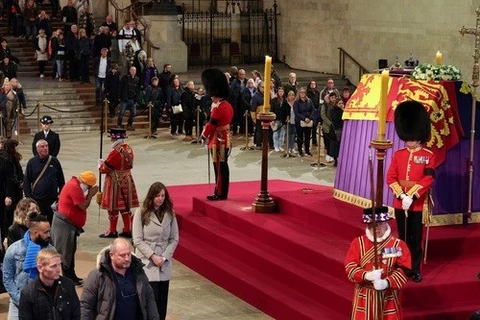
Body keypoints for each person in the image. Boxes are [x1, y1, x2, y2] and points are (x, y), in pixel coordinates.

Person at [386, 100, 435, 283]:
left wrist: (413, 195)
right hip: (400, 202)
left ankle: (414, 268)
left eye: (412, 138)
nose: (410, 142)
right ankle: (402, 265)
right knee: (403, 236)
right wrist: (401, 195)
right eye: (407, 138)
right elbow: (390, 178)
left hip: (418, 204)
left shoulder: (428, 156)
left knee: (415, 239)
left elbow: (428, 178)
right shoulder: (398, 154)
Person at [345, 206, 411, 319]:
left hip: (388, 297)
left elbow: (405, 269)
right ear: (367, 225)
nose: (377, 228)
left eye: (380, 224)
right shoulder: (358, 243)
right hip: (364, 297)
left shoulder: (397, 245)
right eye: (373, 225)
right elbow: (350, 267)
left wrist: (387, 283)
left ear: (386, 223)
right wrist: (366, 275)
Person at [80, 237, 160, 320]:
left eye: (128, 254)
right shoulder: (97, 276)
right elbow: (86, 306)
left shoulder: (138, 273)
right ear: (111, 255)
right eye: (122, 255)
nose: (127, 259)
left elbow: (149, 300)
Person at [132, 182, 179, 320]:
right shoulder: (141, 212)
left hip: (164, 264)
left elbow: (174, 238)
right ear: (151, 196)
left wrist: (164, 257)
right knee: (148, 303)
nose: (160, 198)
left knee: (162, 304)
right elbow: (137, 240)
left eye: (163, 195)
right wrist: (153, 256)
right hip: (147, 263)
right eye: (157, 195)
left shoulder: (170, 213)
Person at [3, 214, 55, 319]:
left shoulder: (51, 251)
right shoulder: (14, 250)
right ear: (35, 233)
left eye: (49, 231)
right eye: (46, 232)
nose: (49, 235)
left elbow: (55, 278)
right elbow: (7, 278)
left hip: (43, 304)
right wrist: (20, 299)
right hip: (17, 303)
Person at [51, 171, 98, 285]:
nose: (88, 189)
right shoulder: (75, 188)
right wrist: (90, 195)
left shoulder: (75, 184)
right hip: (65, 225)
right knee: (66, 252)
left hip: (70, 225)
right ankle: (68, 278)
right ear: (84, 183)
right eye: (88, 187)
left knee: (70, 251)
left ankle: (71, 275)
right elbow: (83, 206)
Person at [99, 128, 139, 238]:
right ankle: (127, 228)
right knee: (125, 206)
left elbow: (104, 169)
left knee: (113, 207)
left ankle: (112, 230)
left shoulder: (115, 152)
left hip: (115, 181)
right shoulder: (129, 149)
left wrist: (100, 165)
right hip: (127, 179)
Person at [19, 248, 80, 320]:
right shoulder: (28, 293)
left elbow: (76, 314)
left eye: (59, 264)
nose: (58, 270)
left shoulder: (68, 285)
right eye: (53, 266)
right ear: (40, 268)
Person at [201, 68, 234, 201]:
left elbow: (211, 125)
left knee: (219, 168)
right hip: (224, 138)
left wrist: (204, 135)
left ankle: (220, 193)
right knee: (223, 167)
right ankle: (221, 191)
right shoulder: (227, 106)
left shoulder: (219, 108)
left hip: (218, 140)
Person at [24, 139, 65, 224]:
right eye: (42, 146)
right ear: (37, 149)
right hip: (38, 200)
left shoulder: (54, 161)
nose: (45, 148)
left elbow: (61, 180)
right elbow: (27, 182)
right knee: (38, 223)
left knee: (52, 223)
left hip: (52, 199)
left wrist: (61, 194)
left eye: (46, 146)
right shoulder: (32, 162)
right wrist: (29, 198)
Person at [1, 139, 23, 242]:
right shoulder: (7, 159)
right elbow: (11, 176)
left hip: (15, 190)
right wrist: (18, 183)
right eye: (16, 146)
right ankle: (7, 235)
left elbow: (18, 172)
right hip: (12, 191)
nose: (17, 148)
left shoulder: (13, 158)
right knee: (8, 215)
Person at [293, 87, 315, 157]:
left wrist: (310, 118)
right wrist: (304, 118)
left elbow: (313, 110)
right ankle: (300, 150)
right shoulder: (296, 102)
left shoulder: (309, 101)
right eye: (301, 92)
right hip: (300, 121)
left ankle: (307, 150)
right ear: (299, 94)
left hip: (308, 121)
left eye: (304, 92)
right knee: (300, 137)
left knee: (308, 137)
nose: (303, 94)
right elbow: (296, 113)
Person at [118, 66, 140, 130]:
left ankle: (129, 124)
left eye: (134, 70)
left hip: (132, 99)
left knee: (133, 113)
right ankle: (119, 124)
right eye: (132, 70)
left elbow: (137, 90)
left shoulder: (137, 79)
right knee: (122, 112)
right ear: (129, 71)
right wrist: (119, 96)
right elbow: (120, 87)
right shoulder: (125, 78)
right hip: (125, 99)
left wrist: (137, 98)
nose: (133, 72)